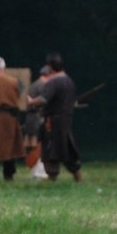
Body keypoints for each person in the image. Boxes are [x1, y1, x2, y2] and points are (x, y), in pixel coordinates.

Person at [30, 52, 83, 182]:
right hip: (65, 120)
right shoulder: (69, 80)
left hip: (52, 121)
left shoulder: (53, 82)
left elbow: (43, 99)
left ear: (50, 67)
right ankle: (78, 177)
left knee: (50, 149)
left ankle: (52, 178)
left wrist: (30, 102)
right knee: (66, 149)